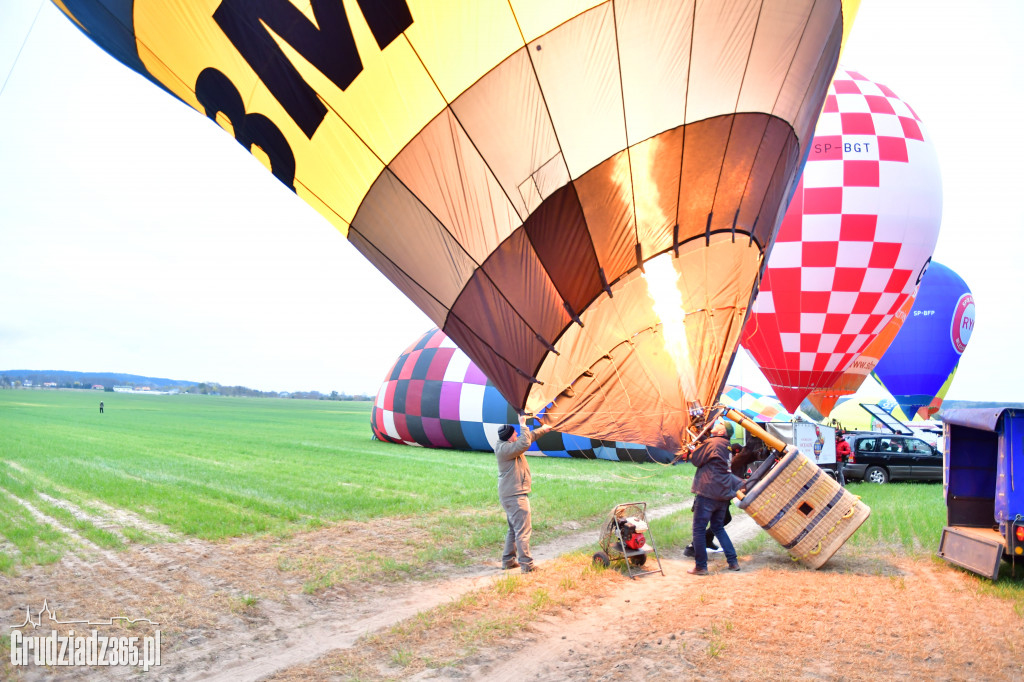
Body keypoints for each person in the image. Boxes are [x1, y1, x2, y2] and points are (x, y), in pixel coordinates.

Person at [495, 414, 551, 573]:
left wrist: (544, 429)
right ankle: (527, 565)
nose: (517, 434)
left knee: (514, 529)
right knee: (523, 530)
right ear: (509, 437)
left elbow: (528, 437)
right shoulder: (505, 449)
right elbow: (525, 441)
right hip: (515, 496)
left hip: (510, 494)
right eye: (514, 433)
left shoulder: (508, 445)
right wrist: (522, 423)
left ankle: (508, 561)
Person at [688, 419, 745, 575]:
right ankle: (733, 562)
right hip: (723, 494)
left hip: (708, 491)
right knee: (718, 527)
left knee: (699, 529)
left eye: (719, 424)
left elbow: (696, 460)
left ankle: (700, 566)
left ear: (722, 432)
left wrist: (694, 448)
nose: (715, 425)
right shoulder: (725, 446)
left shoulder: (713, 442)